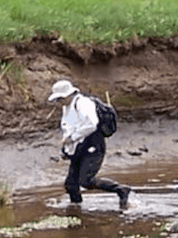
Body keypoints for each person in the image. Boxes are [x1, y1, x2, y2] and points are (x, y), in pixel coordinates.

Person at [48, 79, 131, 210]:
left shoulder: (83, 103)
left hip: (94, 145)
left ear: (69, 94)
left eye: (60, 98)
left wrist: (72, 137)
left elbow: (92, 124)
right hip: (79, 147)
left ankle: (121, 190)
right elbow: (69, 128)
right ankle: (76, 208)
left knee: (85, 181)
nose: (59, 102)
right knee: (71, 185)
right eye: (57, 99)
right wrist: (66, 149)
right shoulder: (67, 107)